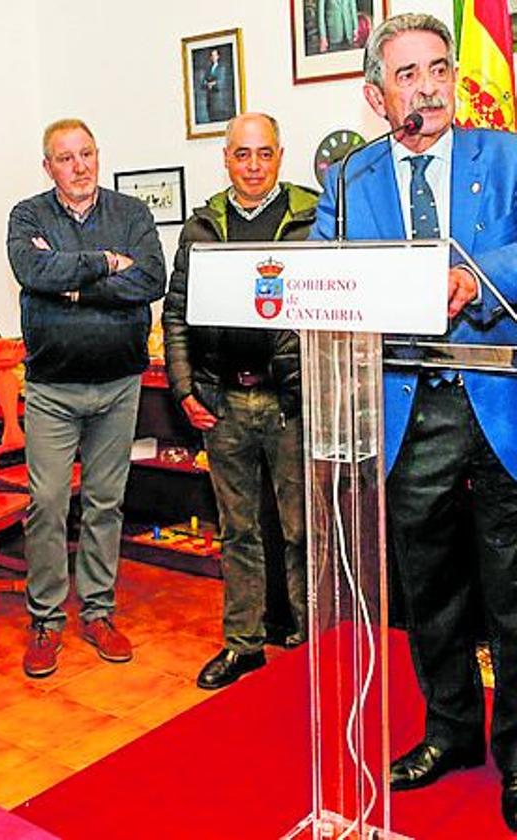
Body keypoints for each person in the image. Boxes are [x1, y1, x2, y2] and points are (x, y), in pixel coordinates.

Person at [311, 13, 517, 829]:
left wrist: (470, 275)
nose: (428, 86)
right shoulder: (350, 178)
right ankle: (452, 731)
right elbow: (321, 270)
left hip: (498, 399)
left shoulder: (504, 154)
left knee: (511, 595)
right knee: (429, 590)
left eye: (439, 69)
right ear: (376, 93)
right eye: (408, 74)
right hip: (405, 406)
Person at [6, 118, 166, 679]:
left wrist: (71, 282)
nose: (80, 167)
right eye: (66, 158)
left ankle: (98, 612)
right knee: (47, 504)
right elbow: (32, 270)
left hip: (120, 383)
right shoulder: (27, 215)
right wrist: (104, 264)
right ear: (48, 166)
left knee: (105, 502)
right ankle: (46, 621)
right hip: (52, 387)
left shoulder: (132, 214)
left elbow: (151, 281)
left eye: (87, 154)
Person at [162, 113, 315, 690]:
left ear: (280, 155)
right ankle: (243, 644)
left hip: (291, 405)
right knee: (238, 532)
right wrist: (182, 389)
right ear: (225, 158)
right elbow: (175, 314)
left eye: (264, 154)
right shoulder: (201, 227)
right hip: (223, 402)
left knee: (305, 532)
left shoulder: (313, 217)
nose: (253, 166)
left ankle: (309, 643)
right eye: (242, 155)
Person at [202, 49, 233, 123]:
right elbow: (203, 82)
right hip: (210, 100)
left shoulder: (222, 68)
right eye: (212, 56)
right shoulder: (208, 69)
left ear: (218, 56)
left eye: (215, 55)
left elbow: (222, 82)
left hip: (219, 99)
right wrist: (207, 84)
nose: (213, 57)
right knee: (211, 117)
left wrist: (212, 84)